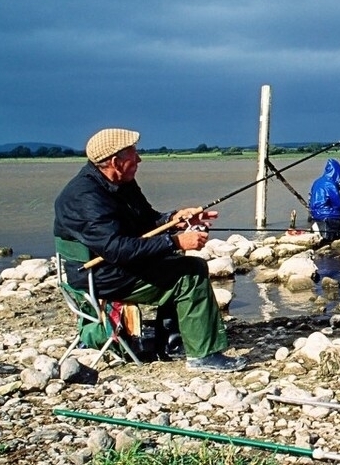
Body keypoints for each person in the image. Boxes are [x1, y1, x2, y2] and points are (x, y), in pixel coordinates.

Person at [53, 128, 246, 373]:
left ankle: (171, 342)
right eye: (134, 154)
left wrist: (176, 218)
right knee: (191, 272)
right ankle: (203, 356)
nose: (140, 159)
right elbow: (117, 249)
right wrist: (177, 242)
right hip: (99, 276)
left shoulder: (121, 181)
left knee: (173, 261)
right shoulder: (85, 198)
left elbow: (147, 220)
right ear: (115, 161)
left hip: (111, 265)